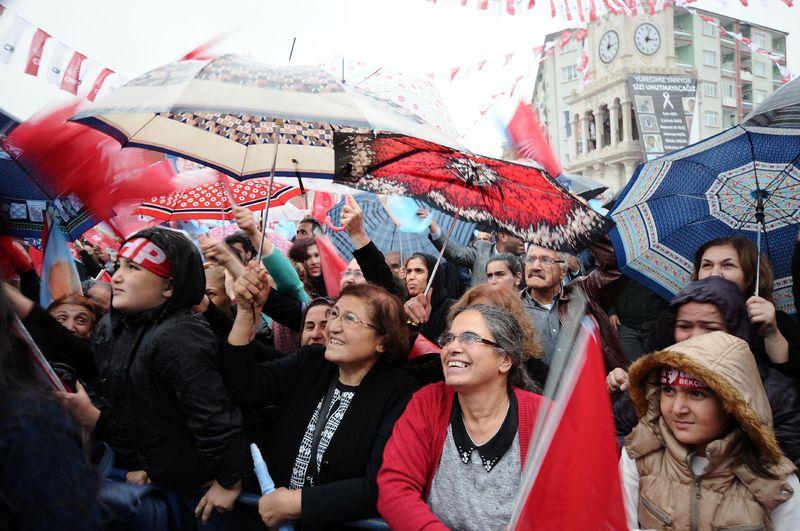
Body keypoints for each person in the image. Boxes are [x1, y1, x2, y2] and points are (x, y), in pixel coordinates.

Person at [57, 227, 246, 525]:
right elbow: (124, 406)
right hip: (159, 478)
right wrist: (140, 462)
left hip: (201, 492)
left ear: (169, 287)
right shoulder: (111, 328)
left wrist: (229, 479)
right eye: (118, 265)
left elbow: (212, 415)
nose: (116, 276)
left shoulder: (182, 335)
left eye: (133, 268)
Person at [221, 274, 417, 528]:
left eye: (350, 319)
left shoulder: (402, 393)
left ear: (383, 340)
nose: (332, 327)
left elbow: (378, 484)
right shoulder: (311, 362)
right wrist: (246, 313)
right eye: (335, 314)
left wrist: (296, 503)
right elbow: (241, 387)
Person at [378, 304, 543, 530]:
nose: (452, 348)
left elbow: (565, 503)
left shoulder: (543, 417)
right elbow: (395, 487)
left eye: (469, 338)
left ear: (505, 360)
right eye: (448, 339)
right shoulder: (428, 402)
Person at [608, 276, 800, 467]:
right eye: (684, 326)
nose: (696, 337)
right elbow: (609, 432)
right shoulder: (653, 379)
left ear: (736, 330)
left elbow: (782, 469)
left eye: (710, 327)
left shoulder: (778, 396)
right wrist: (648, 458)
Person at [621, 331, 800, 529]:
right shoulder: (638, 456)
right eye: (669, 390)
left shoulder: (777, 483)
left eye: (696, 393)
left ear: (732, 404)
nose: (678, 409)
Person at [0, 273, 104, 530]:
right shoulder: (29, 359)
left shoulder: (29, 420)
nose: (70, 326)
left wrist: (92, 418)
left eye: (81, 320)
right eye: (62, 319)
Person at [689, 236, 800, 379]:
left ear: (749, 278)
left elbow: (791, 377)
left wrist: (772, 334)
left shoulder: (778, 322)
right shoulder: (679, 319)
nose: (715, 274)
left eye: (727, 265)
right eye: (707, 265)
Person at [521, 240, 627, 372]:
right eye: (530, 259)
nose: (535, 266)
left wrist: (586, 231)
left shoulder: (583, 293)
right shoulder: (511, 307)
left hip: (590, 388)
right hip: (533, 391)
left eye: (546, 260)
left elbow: (613, 269)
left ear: (563, 271)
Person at [449, 284, 547, 388]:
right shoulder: (444, 372)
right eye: (469, 312)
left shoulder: (538, 375)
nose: (474, 319)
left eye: (487, 314)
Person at [427, 210, 526, 286]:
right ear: (502, 236)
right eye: (519, 237)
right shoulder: (481, 249)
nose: (524, 240)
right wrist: (434, 228)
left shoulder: (525, 265)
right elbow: (455, 253)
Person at [609, 278, 669, 361]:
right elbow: (609, 288)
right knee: (628, 366)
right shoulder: (625, 269)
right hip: (626, 324)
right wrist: (612, 312)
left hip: (653, 327)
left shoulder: (665, 275)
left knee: (652, 365)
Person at [404, 252, 455, 343]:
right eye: (409, 271)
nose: (411, 277)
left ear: (434, 275)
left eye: (418, 271)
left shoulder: (452, 309)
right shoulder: (403, 307)